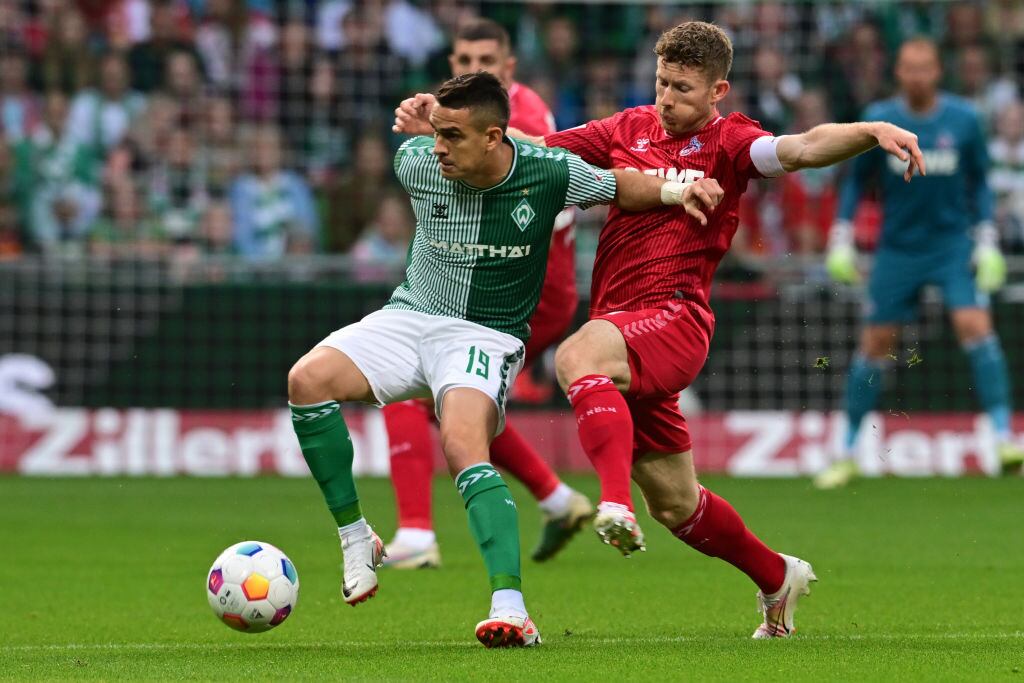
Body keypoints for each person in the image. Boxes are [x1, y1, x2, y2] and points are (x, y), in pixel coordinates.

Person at [393, 21, 925, 638]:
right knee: (677, 504)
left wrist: (871, 131)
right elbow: (533, 147)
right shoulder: (627, 128)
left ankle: (611, 501)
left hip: (675, 315)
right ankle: (777, 575)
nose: (668, 99)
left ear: (717, 89)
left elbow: (802, 147)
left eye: (683, 88)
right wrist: (443, 121)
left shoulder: (730, 141)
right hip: (620, 323)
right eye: (662, 83)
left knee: (575, 357)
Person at [289, 71, 724, 647]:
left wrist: (676, 189)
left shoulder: (547, 173)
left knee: (462, 443)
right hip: (410, 315)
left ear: (495, 137)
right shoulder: (416, 163)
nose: (438, 148)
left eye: (454, 137)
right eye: (436, 135)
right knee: (306, 380)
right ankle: (355, 536)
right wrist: (429, 124)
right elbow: (428, 140)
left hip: (485, 334)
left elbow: (618, 185)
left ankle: (511, 608)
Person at [381, 18, 593, 572]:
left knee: (414, 384)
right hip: (490, 282)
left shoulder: (518, 116)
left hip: (529, 289)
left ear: (508, 68)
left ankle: (417, 533)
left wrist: (429, 133)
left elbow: (532, 161)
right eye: (463, 61)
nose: (474, 70)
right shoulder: (459, 116)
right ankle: (557, 499)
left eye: (485, 62)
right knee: (458, 406)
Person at [819, 37, 1023, 487]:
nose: (916, 75)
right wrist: (841, 236)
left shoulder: (966, 120)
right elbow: (856, 182)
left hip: (952, 245)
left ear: (937, 71)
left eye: (924, 67)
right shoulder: (880, 121)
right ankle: (848, 450)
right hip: (898, 249)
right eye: (908, 67)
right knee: (875, 344)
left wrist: (987, 239)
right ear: (898, 72)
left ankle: (1006, 439)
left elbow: (981, 182)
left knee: (976, 327)